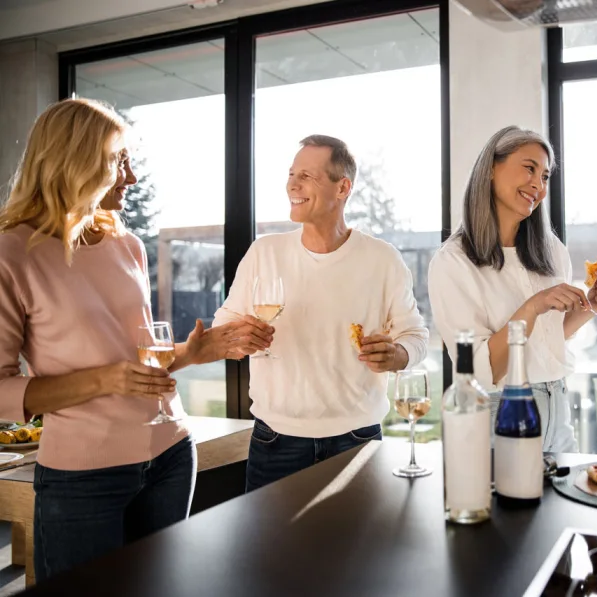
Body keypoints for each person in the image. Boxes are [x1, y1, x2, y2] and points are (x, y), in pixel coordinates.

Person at [0, 98, 270, 581]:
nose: (131, 177)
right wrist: (105, 379)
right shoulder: (12, 253)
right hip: (84, 478)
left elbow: (140, 363)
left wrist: (198, 351)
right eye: (118, 160)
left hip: (169, 456)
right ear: (73, 161)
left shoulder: (127, 245)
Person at [213, 134, 429, 492]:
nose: (292, 185)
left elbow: (415, 335)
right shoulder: (264, 253)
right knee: (272, 550)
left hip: (357, 440)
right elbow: (224, 326)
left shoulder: (382, 258)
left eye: (307, 176)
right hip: (274, 443)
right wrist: (240, 337)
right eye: (291, 174)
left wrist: (398, 354)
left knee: (357, 548)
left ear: (342, 187)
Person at [428, 126, 597, 453]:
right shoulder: (453, 263)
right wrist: (532, 307)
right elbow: (479, 370)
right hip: (500, 410)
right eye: (529, 168)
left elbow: (550, 336)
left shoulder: (551, 250)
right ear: (490, 168)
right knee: (507, 506)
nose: (538, 185)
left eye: (545, 176)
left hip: (558, 407)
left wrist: (590, 307)